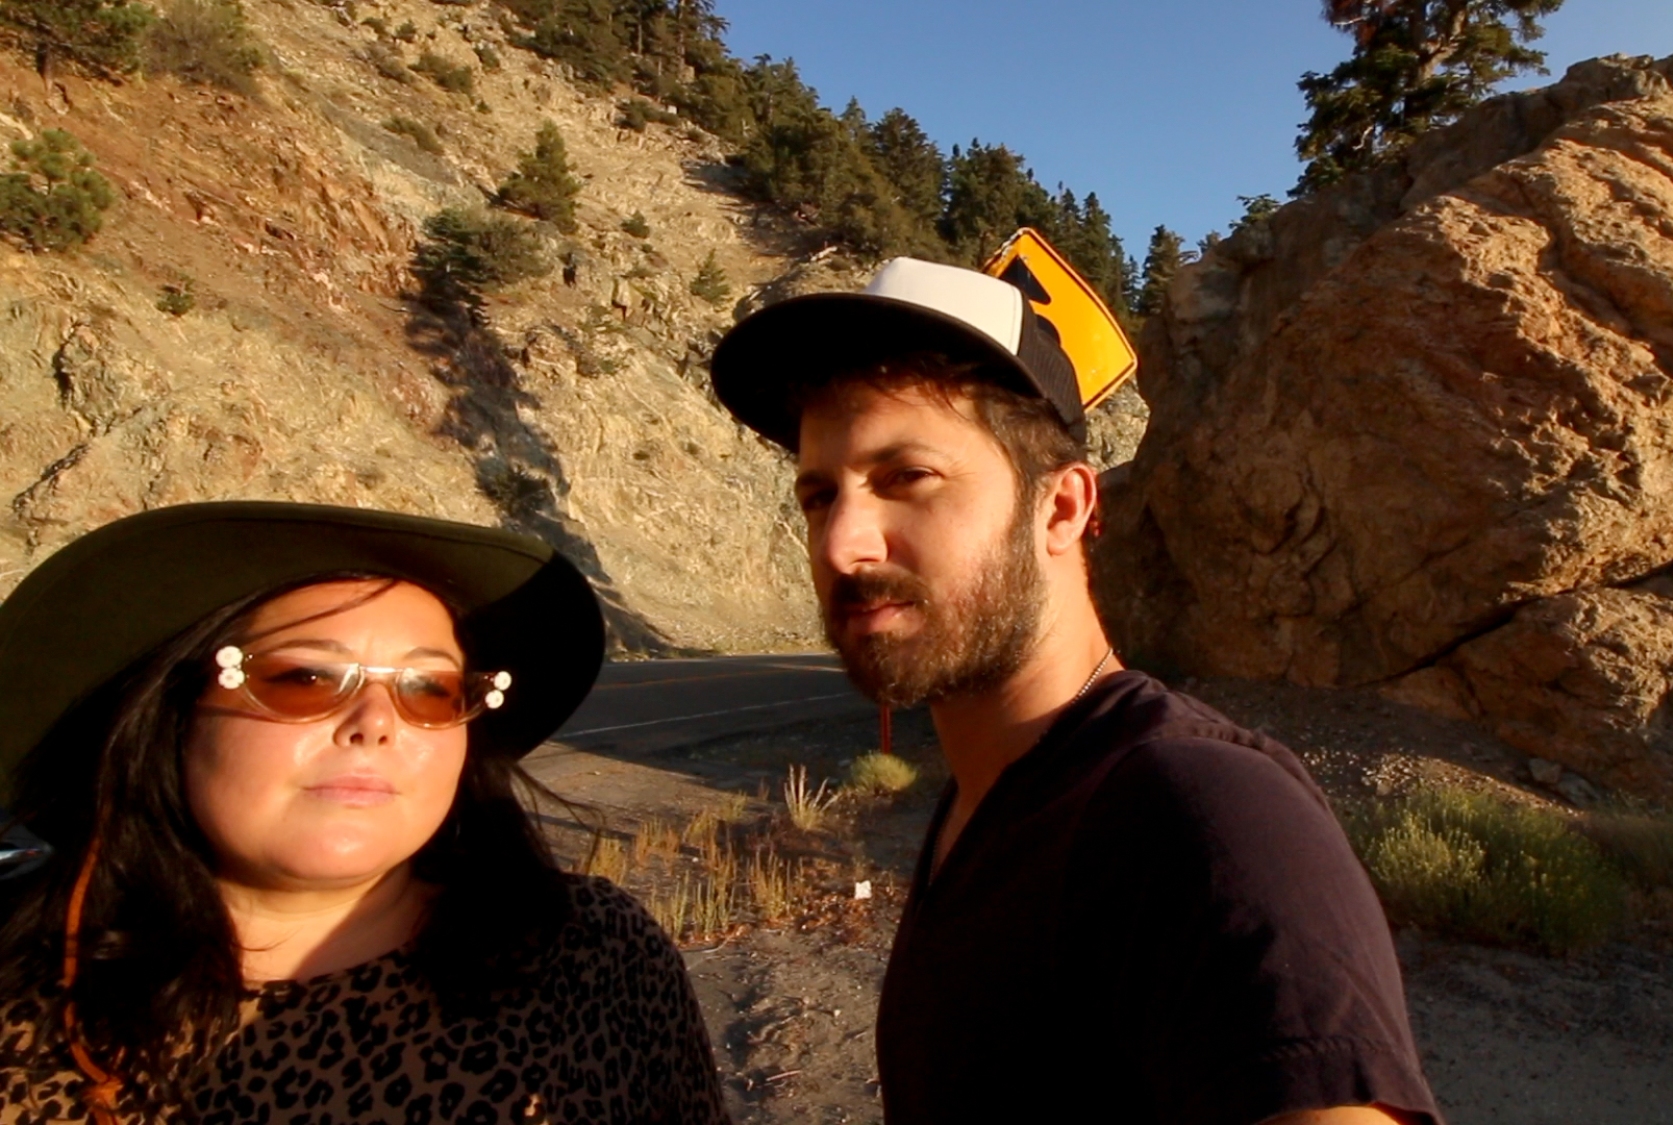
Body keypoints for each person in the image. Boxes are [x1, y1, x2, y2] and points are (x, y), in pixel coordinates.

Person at [711, 258, 1441, 1124]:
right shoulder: (980, 809)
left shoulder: (1203, 816)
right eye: (818, 494)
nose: (841, 544)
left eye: (907, 477)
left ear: (1061, 509)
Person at [0, 502, 730, 1125]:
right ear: (172, 716)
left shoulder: (593, 959)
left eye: (430, 688)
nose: (376, 721)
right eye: (306, 676)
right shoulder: (22, 1006)